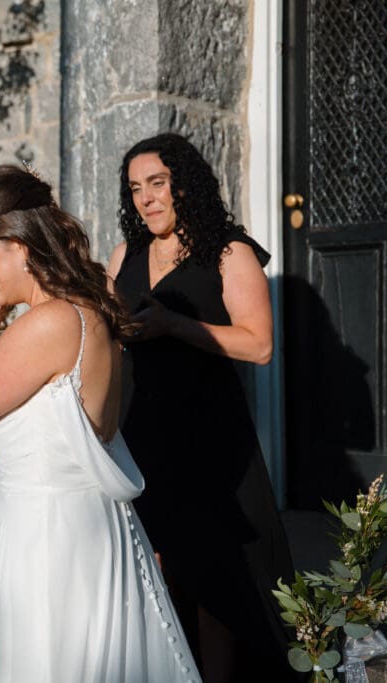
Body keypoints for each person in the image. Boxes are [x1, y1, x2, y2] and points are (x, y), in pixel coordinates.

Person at [0, 165, 201, 681]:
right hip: (56, 528)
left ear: (18, 244)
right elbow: (35, 448)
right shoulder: (79, 311)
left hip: (54, 545)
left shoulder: (52, 321)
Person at [106, 132, 296, 681]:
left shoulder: (228, 250)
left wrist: (174, 325)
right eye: (136, 188)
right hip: (140, 428)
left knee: (217, 577)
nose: (147, 199)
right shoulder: (127, 253)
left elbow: (258, 344)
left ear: (185, 185)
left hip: (209, 435)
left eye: (158, 184)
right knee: (157, 572)